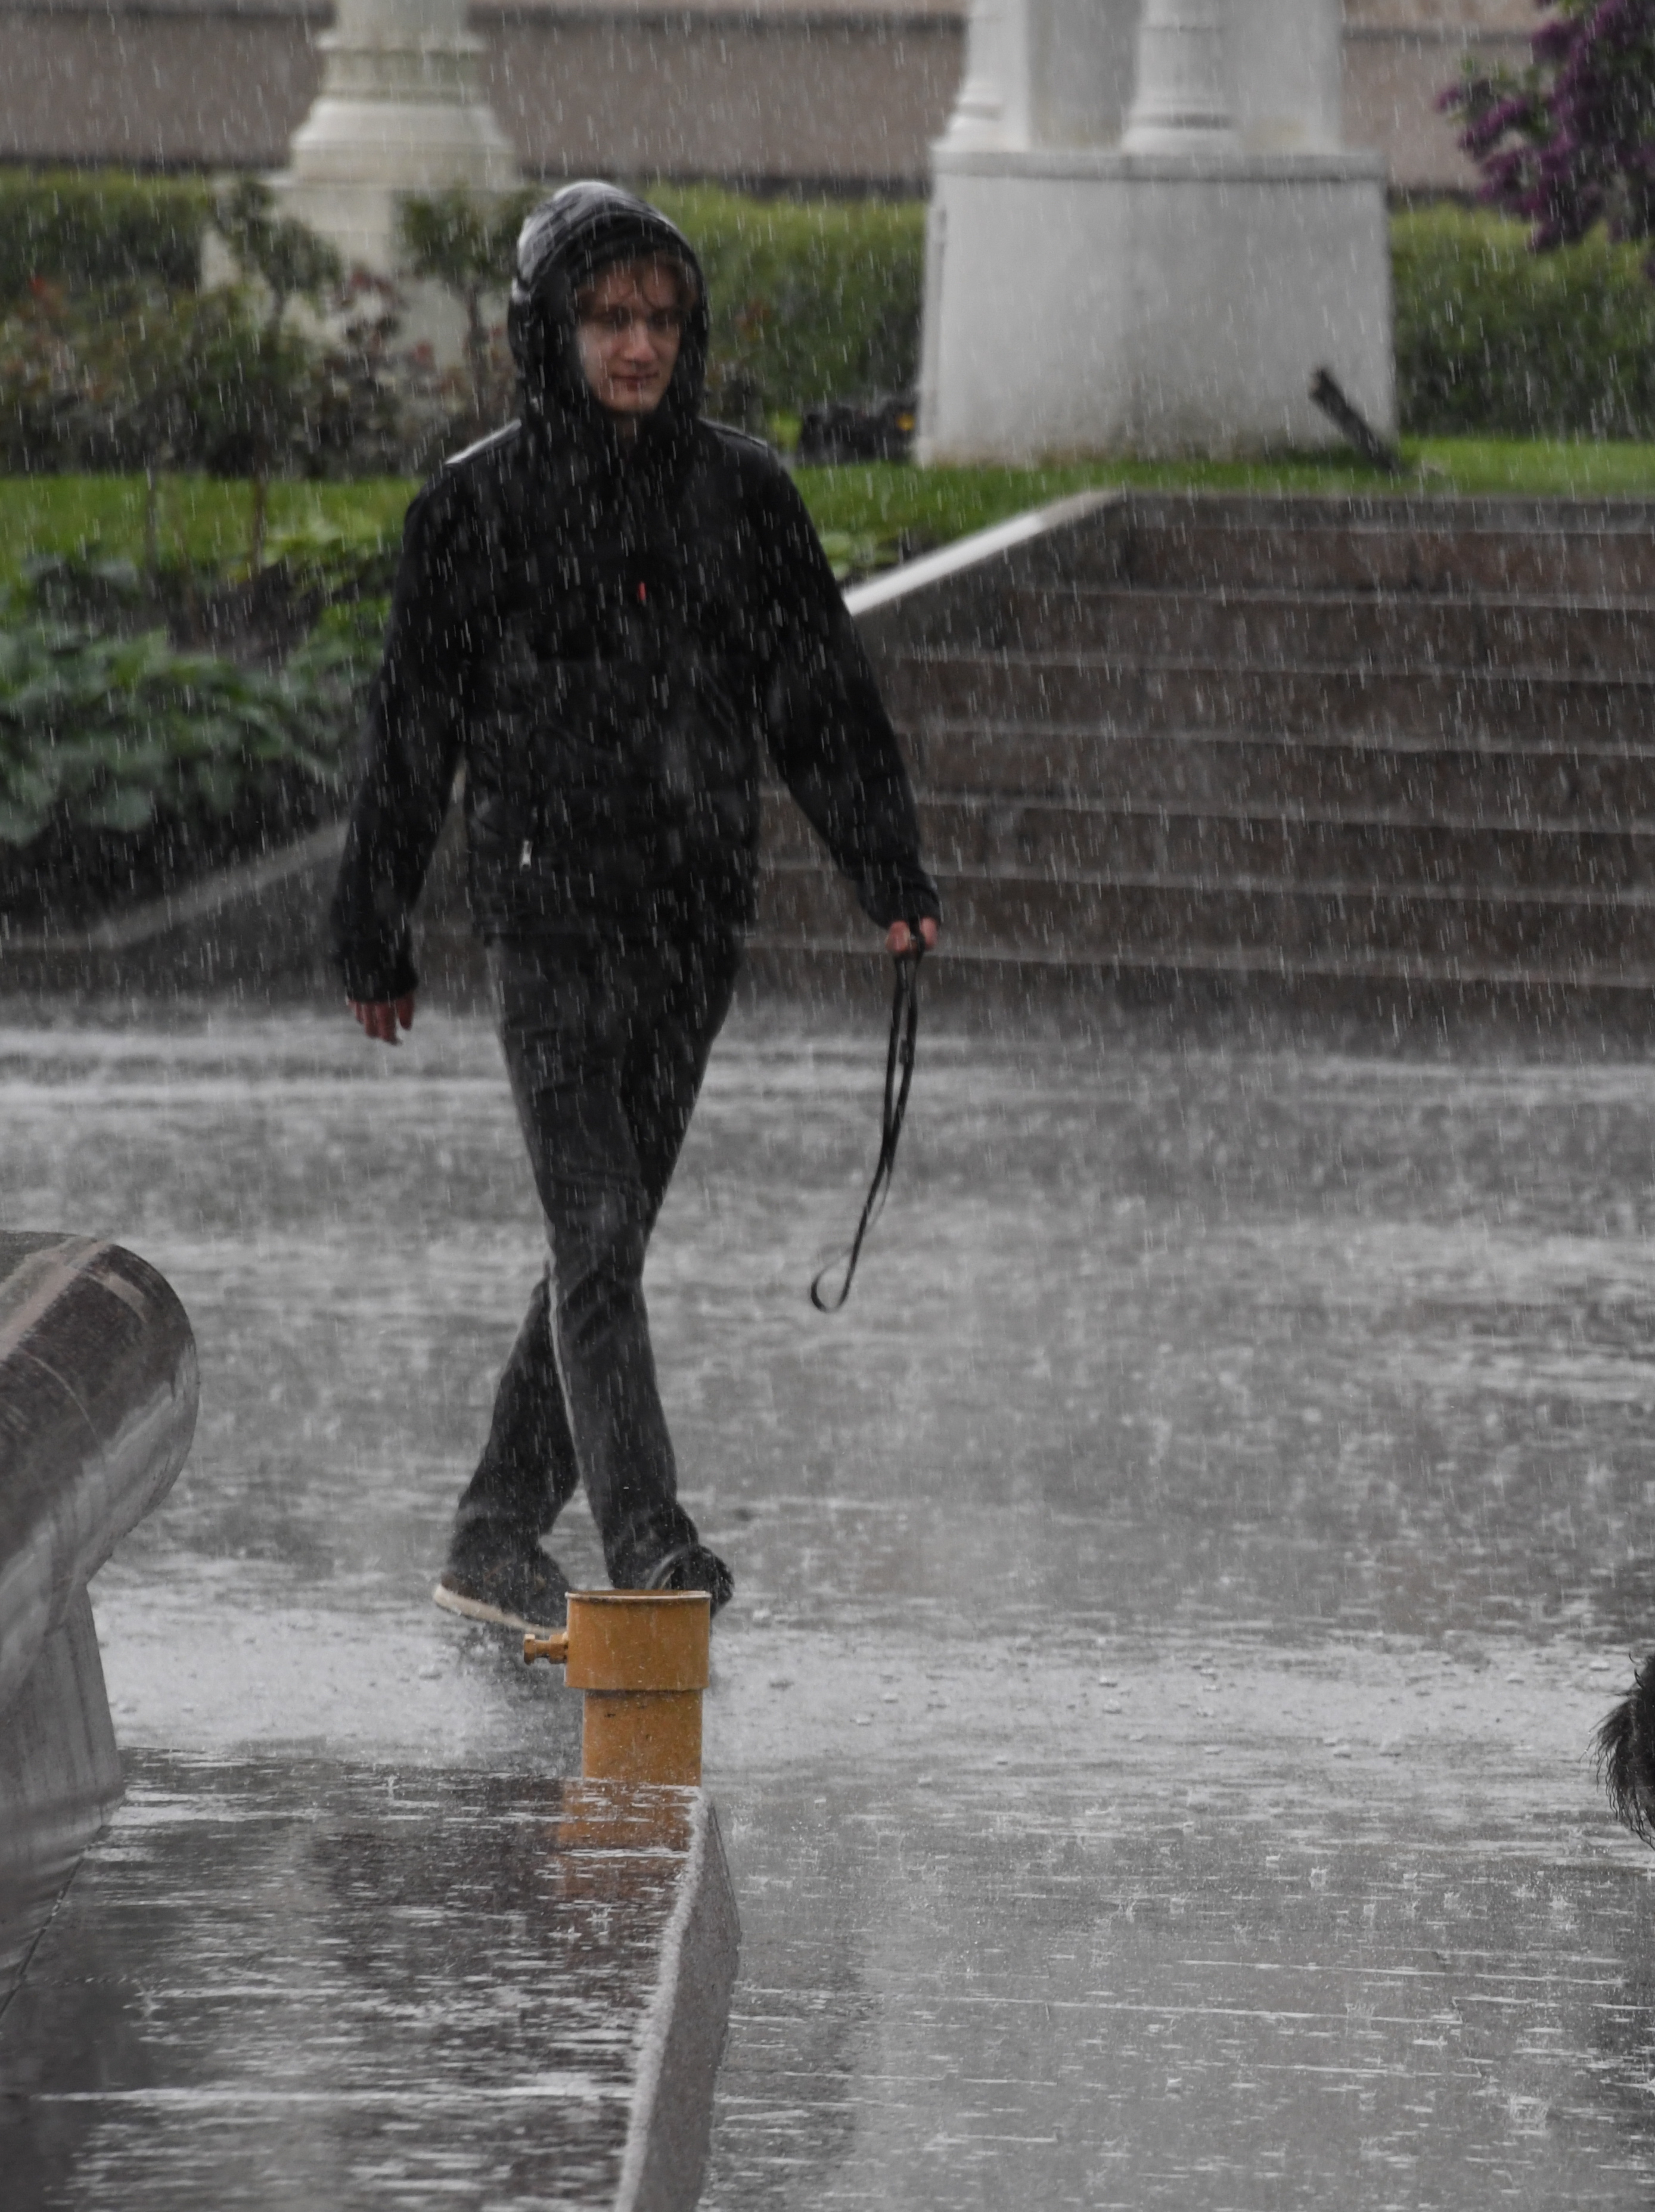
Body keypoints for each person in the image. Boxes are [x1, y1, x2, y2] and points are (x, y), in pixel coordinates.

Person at [332, 181, 943, 1632]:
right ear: (550, 330)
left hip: (689, 919)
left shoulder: (743, 497)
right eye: (609, 317)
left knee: (602, 1243)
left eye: (662, 318)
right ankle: (652, 1544)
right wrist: (375, 928)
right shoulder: (471, 510)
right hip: (542, 921)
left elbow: (821, 702)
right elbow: (413, 731)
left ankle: (492, 1527)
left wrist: (888, 873)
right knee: (598, 1233)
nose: (639, 344)